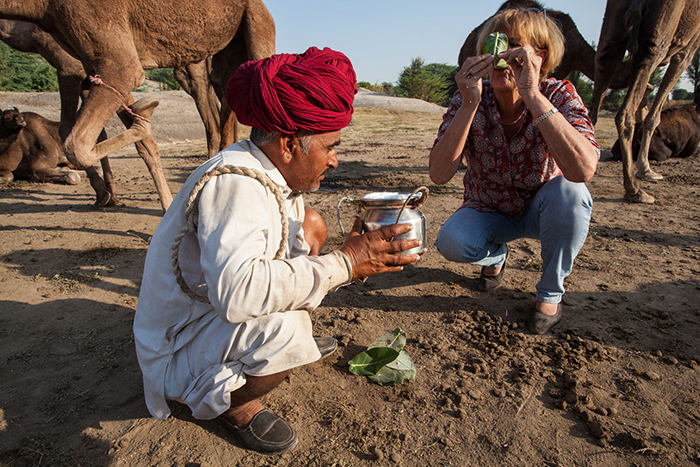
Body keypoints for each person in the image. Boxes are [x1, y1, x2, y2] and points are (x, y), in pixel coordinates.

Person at [133, 47, 421, 455]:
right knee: (287, 336)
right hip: (178, 346)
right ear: (288, 144)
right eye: (330, 147)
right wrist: (347, 263)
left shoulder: (271, 175)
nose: (335, 160)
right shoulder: (236, 185)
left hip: (207, 316)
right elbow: (238, 294)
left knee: (312, 224)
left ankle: (255, 351)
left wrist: (349, 257)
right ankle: (231, 404)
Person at [429, 9, 599, 335]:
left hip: (544, 209)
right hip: (489, 207)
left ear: (541, 56)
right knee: (453, 242)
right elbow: (438, 174)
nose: (500, 56)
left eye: (514, 47)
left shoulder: (559, 94)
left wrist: (533, 95)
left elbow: (584, 169)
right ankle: (495, 258)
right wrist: (468, 104)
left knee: (571, 193)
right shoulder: (469, 97)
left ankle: (550, 293)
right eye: (495, 46)